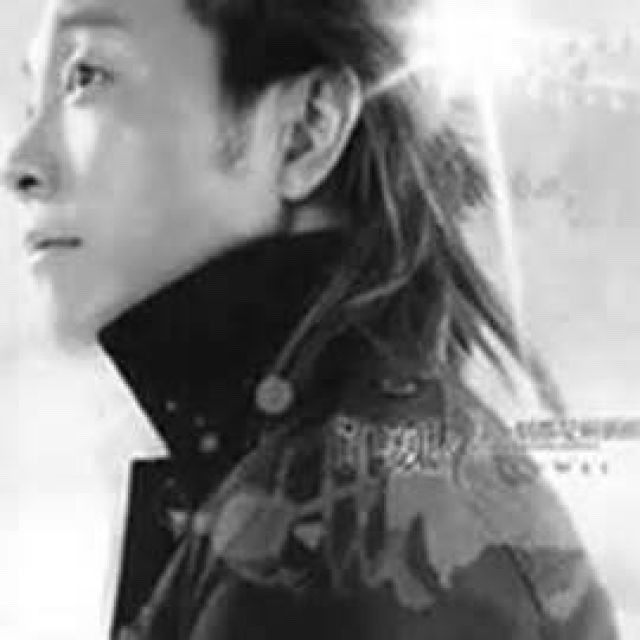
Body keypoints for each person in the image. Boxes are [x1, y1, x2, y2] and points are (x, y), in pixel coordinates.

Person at [1, 0, 618, 638]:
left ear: (304, 130)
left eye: (87, 76)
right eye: (32, 93)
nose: (19, 163)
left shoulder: (338, 545)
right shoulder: (343, 481)